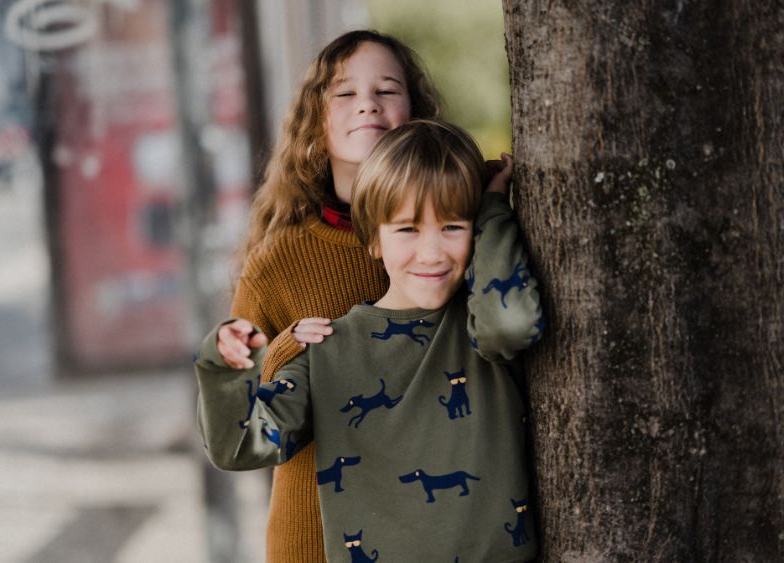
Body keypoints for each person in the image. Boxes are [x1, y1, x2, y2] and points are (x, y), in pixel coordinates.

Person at [196, 119, 544, 561]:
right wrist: (223, 367)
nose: (432, 252)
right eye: (407, 229)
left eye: (453, 227)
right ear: (374, 239)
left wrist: (494, 208)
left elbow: (514, 322)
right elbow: (241, 446)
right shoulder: (330, 350)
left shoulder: (479, 324)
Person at [215, 30, 441, 561]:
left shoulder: (452, 236)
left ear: (416, 112)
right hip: (314, 532)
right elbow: (237, 413)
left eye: (388, 89)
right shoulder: (279, 260)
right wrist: (289, 350)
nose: (368, 102)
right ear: (316, 123)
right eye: (344, 93)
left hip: (433, 526)